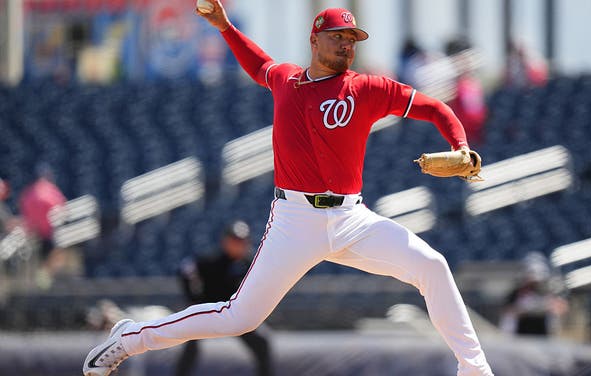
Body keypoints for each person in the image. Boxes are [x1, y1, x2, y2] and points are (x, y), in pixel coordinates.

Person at [83, 5, 493, 376]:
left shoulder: (368, 88)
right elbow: (257, 63)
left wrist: (460, 146)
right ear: (315, 40)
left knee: (433, 266)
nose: (347, 45)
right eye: (338, 37)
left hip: (352, 217)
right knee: (238, 318)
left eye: (351, 40)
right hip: (296, 220)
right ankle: (131, 337)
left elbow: (436, 108)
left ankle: (475, 371)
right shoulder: (286, 80)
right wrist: (225, 27)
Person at [175, 220, 272, 376]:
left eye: (242, 241)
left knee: (262, 342)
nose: (238, 244)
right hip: (208, 311)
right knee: (190, 343)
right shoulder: (212, 261)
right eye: (234, 240)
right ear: (225, 241)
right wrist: (193, 298)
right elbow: (185, 268)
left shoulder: (251, 264)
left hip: (235, 313)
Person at [499, 252, 568, 336]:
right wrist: (523, 309)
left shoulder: (548, 291)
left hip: (542, 335)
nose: (534, 284)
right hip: (521, 334)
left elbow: (561, 307)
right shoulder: (517, 292)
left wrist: (544, 306)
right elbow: (508, 312)